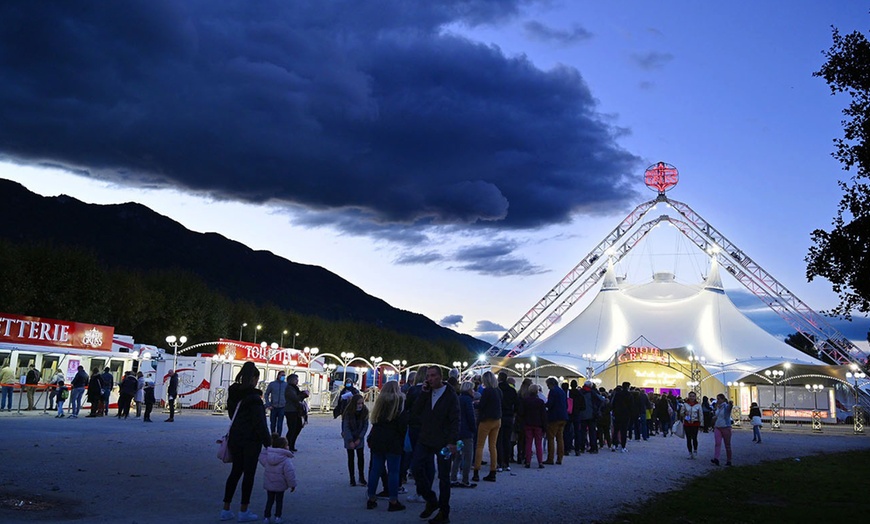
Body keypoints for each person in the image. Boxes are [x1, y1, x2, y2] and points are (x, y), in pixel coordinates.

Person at [221, 361, 271, 523]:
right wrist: (268, 442)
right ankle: (244, 510)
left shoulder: (233, 394)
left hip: (236, 437)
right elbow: (260, 423)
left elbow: (231, 415)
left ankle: (226, 508)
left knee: (235, 472)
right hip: (251, 440)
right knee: (248, 475)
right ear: (253, 378)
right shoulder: (255, 398)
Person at [411, 366, 459, 524]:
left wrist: (452, 441)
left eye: (432, 376)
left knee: (444, 477)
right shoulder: (426, 392)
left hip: (444, 441)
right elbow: (415, 412)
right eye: (428, 376)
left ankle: (444, 512)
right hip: (426, 437)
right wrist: (423, 394)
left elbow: (455, 419)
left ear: (440, 377)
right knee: (416, 467)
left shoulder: (450, 395)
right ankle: (431, 499)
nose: (429, 379)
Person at [366, 380, 409, 512]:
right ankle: (393, 500)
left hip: (378, 438)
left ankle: (371, 498)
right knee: (394, 472)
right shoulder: (399, 402)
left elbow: (375, 421)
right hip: (394, 440)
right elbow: (403, 425)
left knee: (375, 470)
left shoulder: (380, 402)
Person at [259, 433, 297, 524]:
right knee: (279, 501)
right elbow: (289, 474)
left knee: (269, 501)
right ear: (284, 447)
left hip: (269, 483)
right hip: (280, 484)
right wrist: (292, 485)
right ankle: (277, 517)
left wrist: (268, 449)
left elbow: (261, 456)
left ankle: (266, 517)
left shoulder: (268, 458)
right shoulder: (285, 460)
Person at [472, 371, 501, 483]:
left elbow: (482, 405)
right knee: (492, 446)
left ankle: (476, 472)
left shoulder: (487, 391)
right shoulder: (498, 391)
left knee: (479, 446)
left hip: (486, 421)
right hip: (497, 420)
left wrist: (475, 403)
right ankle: (493, 471)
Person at [450, 381, 476, 488]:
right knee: (468, 456)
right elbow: (470, 416)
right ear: (469, 389)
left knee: (458, 456)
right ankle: (465, 479)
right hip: (466, 432)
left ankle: (453, 478)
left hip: (458, 432)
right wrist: (474, 429)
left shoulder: (458, 398)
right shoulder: (468, 401)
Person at [341, 393, 369, 487]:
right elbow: (346, 427)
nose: (360, 405)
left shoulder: (365, 411)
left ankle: (361, 477)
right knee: (351, 458)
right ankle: (352, 478)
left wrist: (360, 438)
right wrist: (350, 440)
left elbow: (365, 426)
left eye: (361, 403)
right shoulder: (348, 412)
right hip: (350, 437)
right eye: (358, 403)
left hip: (359, 437)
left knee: (361, 457)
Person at [521, 384, 548, 468]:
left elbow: (522, 413)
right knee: (538, 444)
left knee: (528, 444)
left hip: (528, 424)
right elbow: (543, 415)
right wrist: (545, 427)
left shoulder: (525, 401)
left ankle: (528, 461)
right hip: (538, 425)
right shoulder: (540, 402)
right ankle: (540, 462)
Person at [496, 372, 518, 472]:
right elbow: (517, 405)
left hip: (499, 416)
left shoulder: (497, 389)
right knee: (507, 440)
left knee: (498, 440)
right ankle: (507, 463)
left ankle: (499, 463)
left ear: (499, 378)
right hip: (509, 417)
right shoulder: (512, 390)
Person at [543, 377, 568, 464]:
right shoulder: (562, 391)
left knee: (550, 438)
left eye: (548, 385)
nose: (548, 387)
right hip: (563, 417)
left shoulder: (553, 391)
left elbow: (550, 404)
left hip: (554, 417)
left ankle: (550, 458)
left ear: (551, 384)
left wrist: (543, 404)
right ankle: (560, 458)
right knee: (560, 438)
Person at [576, 380, 603, 454]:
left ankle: (582, 447)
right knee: (592, 432)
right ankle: (593, 447)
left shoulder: (580, 392)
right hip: (592, 415)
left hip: (582, 415)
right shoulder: (592, 392)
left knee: (582, 432)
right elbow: (601, 400)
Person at [283, 373, 308, 451]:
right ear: (292, 380)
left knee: (298, 427)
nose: (297, 381)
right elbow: (295, 398)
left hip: (296, 411)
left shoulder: (295, 388)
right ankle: (287, 445)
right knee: (292, 429)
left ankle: (291, 445)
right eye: (296, 379)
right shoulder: (289, 388)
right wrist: (303, 395)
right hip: (291, 411)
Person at [711, 393, 733, 466]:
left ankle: (729, 460)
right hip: (717, 427)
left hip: (726, 427)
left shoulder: (726, 407)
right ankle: (716, 458)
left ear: (723, 399)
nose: (717, 400)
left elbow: (729, 408)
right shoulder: (718, 407)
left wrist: (731, 404)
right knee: (717, 443)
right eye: (717, 399)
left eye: (719, 399)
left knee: (727, 444)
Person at [679, 391, 703, 459]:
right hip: (687, 423)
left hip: (695, 423)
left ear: (695, 397)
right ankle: (690, 452)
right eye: (690, 396)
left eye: (693, 396)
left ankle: (695, 450)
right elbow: (681, 413)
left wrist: (701, 424)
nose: (691, 397)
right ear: (688, 397)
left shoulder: (698, 405)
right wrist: (684, 414)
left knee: (695, 437)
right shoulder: (685, 404)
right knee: (688, 438)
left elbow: (701, 415)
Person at [264, 370, 288, 435]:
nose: (283, 377)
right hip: (273, 407)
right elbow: (266, 394)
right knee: (273, 423)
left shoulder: (286, 385)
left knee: (280, 424)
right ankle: (273, 436)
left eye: (284, 375)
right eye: (282, 375)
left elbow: (288, 395)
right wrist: (268, 404)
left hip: (282, 407)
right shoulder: (272, 384)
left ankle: (278, 437)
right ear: (278, 376)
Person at [611, 383, 632, 452]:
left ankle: (614, 444)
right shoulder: (629, 395)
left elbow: (613, 404)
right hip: (625, 415)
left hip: (617, 414)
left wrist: (614, 411)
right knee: (624, 431)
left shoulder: (617, 394)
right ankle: (623, 446)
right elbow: (631, 406)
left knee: (616, 430)